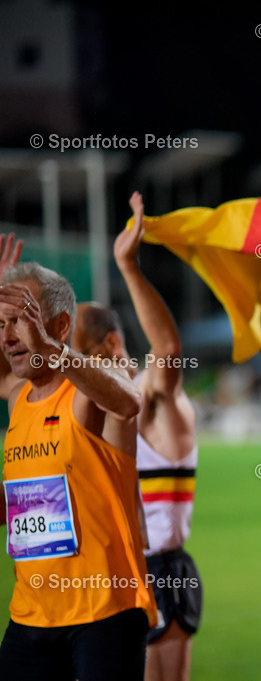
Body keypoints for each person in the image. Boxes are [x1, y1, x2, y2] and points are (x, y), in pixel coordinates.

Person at [0, 241, 157, 680]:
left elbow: (129, 402)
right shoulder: (18, 402)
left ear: (60, 324)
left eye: (19, 321)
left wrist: (49, 348)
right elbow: (24, 506)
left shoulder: (95, 389)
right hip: (31, 616)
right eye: (1, 324)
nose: (8, 336)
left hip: (103, 615)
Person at [70, 192, 201, 681]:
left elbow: (167, 349)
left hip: (160, 570)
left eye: (75, 353)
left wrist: (127, 265)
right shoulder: (79, 408)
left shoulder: (150, 402)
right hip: (103, 575)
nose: (69, 367)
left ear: (110, 344)